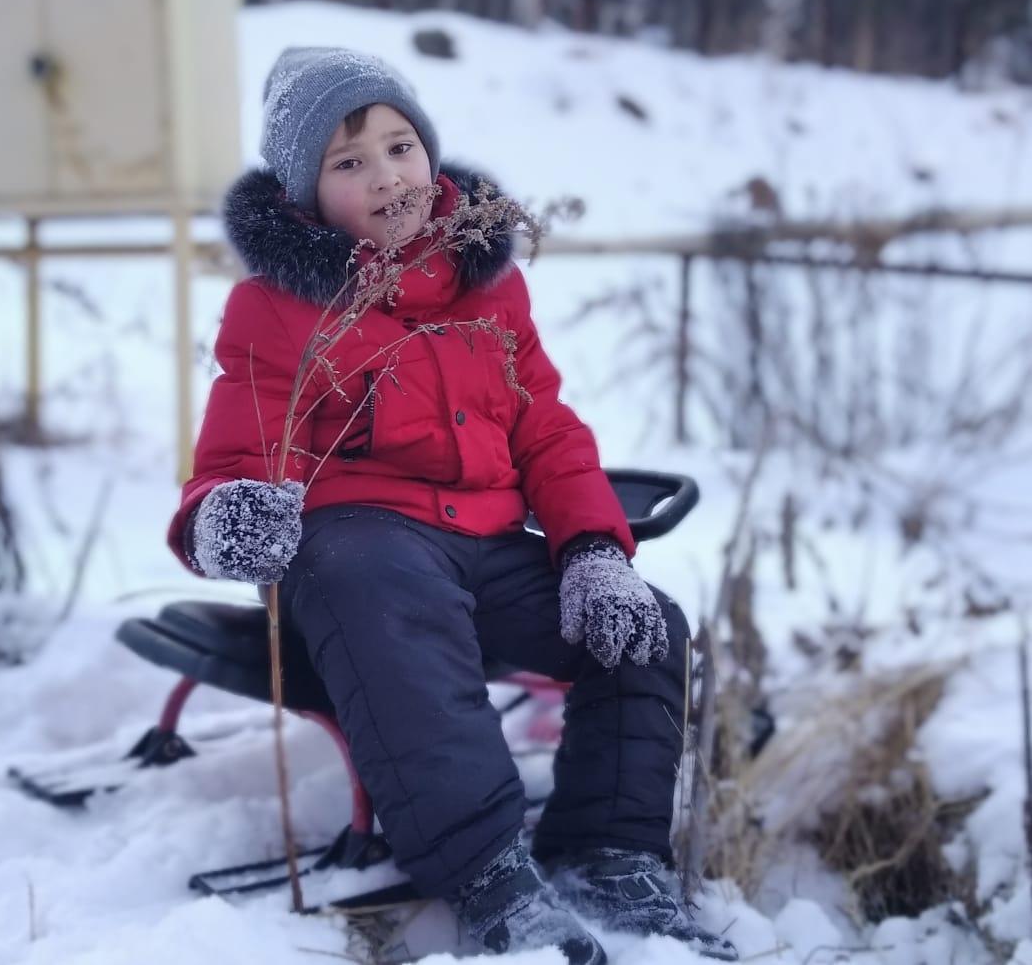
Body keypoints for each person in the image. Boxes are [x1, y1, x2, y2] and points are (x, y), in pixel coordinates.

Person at [167, 47, 736, 963]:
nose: (387, 176)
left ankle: (608, 852)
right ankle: (486, 871)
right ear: (306, 195)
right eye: (349, 162)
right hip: (358, 549)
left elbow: (545, 429)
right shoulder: (274, 309)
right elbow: (235, 459)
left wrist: (594, 550)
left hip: (484, 540)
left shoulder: (489, 289)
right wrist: (226, 516)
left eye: (401, 147)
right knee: (384, 589)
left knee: (645, 626)